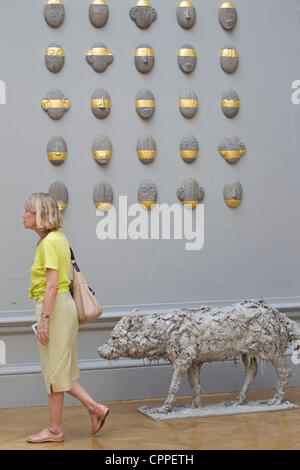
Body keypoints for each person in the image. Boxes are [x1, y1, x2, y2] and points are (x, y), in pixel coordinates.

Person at [22, 193, 109, 443]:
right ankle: (94, 409)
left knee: (53, 373)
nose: (23, 215)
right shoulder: (58, 238)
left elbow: (51, 286)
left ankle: (55, 429)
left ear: (39, 215)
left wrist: (45, 319)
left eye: (27, 211)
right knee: (60, 371)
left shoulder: (49, 243)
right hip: (63, 306)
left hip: (55, 308)